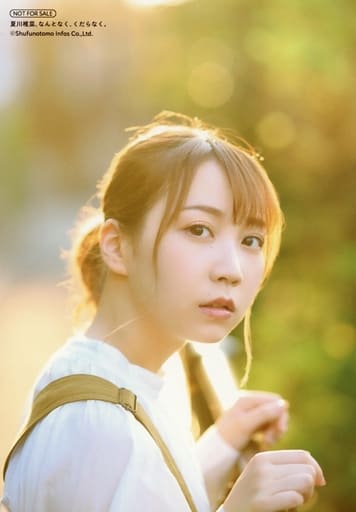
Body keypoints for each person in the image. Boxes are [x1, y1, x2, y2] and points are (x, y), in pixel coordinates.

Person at [1, 111, 325, 511]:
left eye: (252, 239)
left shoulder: (135, 380)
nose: (232, 270)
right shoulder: (96, 425)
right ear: (118, 246)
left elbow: (148, 495)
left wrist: (223, 441)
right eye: (198, 229)